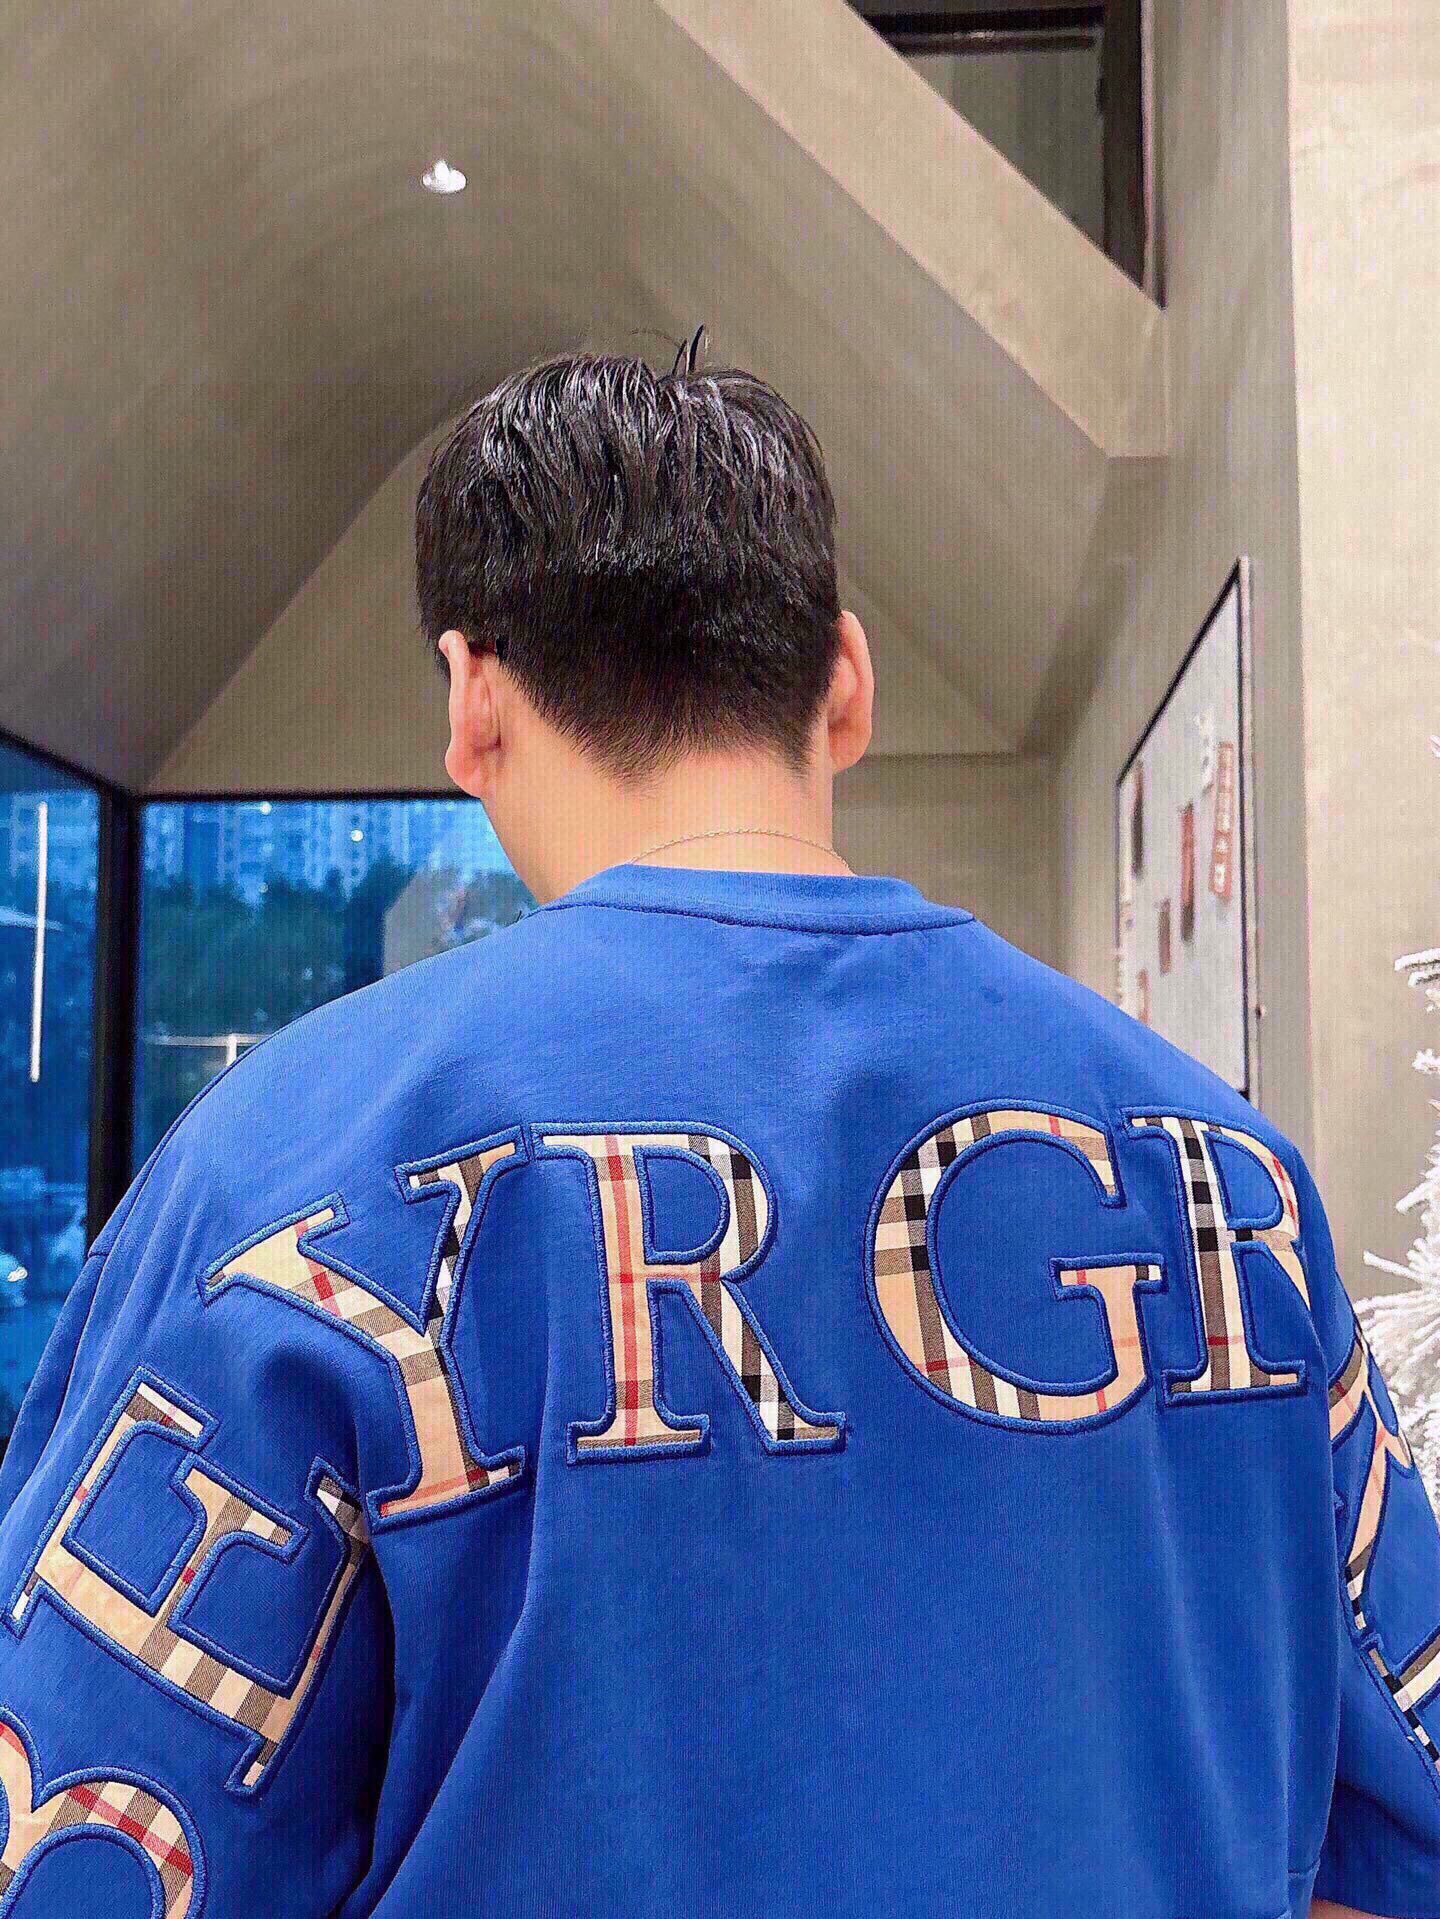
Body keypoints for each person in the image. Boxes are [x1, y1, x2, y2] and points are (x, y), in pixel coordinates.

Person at [0, 345, 1434, 1919]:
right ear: (847, 681)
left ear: (472, 700)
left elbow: (86, 1847)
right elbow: (1389, 1849)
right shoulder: (1233, 1185)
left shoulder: (279, 1183)